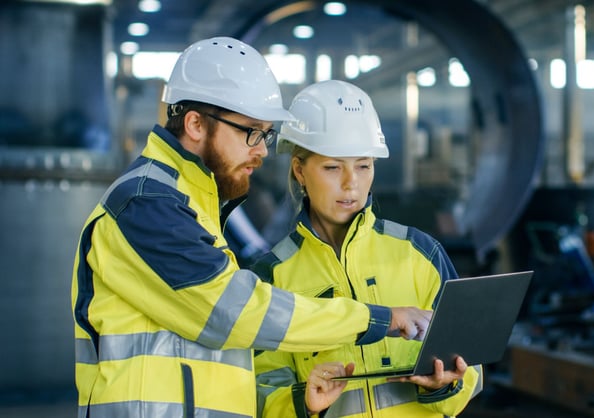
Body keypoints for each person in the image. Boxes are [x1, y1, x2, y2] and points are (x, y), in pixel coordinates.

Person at [70, 37, 431, 418]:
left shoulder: (192, 203)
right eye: (251, 132)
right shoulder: (147, 204)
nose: (261, 150)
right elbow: (233, 312)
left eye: (265, 134)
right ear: (195, 124)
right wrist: (377, 319)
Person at [250, 80, 483, 418]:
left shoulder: (420, 254)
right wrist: (302, 403)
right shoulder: (271, 278)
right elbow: (262, 392)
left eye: (363, 165)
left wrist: (447, 383)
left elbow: (472, 370)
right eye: (333, 167)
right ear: (299, 170)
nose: (351, 184)